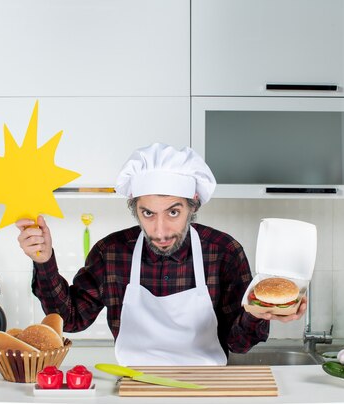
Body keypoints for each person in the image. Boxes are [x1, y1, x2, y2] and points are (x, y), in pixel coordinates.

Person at [16, 142, 307, 366]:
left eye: (173, 212)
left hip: (206, 389)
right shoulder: (111, 252)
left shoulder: (223, 251)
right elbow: (70, 320)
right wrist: (44, 262)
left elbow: (239, 343)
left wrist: (255, 314)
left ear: (193, 204)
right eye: (148, 213)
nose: (160, 230)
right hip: (133, 387)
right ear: (135, 208)